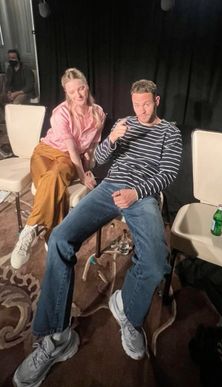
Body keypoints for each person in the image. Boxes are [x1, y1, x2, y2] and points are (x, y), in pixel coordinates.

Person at [12, 79, 182, 387]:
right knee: (61, 238)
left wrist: (137, 192)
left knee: (156, 262)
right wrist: (112, 139)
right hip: (109, 187)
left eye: (146, 104)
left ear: (157, 100)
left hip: (141, 195)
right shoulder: (124, 123)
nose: (140, 111)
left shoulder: (169, 131)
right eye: (136, 105)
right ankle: (57, 336)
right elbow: (100, 159)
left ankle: (127, 311)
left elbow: (168, 173)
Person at [10, 67, 106, 270]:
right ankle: (50, 233)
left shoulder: (98, 114)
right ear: (66, 93)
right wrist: (81, 177)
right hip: (45, 152)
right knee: (53, 182)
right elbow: (71, 147)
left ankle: (31, 228)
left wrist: (87, 169)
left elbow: (91, 148)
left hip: (66, 159)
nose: (78, 95)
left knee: (55, 175)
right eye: (72, 92)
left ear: (86, 86)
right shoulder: (61, 112)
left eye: (81, 89)